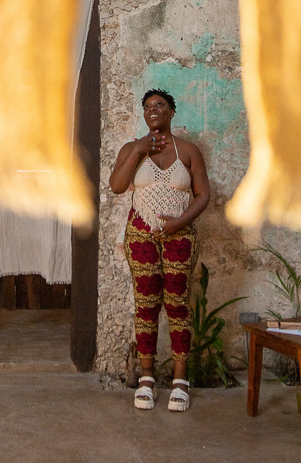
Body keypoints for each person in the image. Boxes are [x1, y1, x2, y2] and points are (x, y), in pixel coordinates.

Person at [109, 89, 210, 411]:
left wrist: (179, 222)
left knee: (178, 304)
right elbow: (116, 186)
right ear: (143, 114)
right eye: (148, 106)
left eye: (160, 105)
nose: (153, 110)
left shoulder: (189, 151)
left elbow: (203, 196)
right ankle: (147, 377)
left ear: (171, 112)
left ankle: (181, 379)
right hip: (140, 235)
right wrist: (138, 149)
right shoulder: (132, 148)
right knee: (146, 304)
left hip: (180, 237)